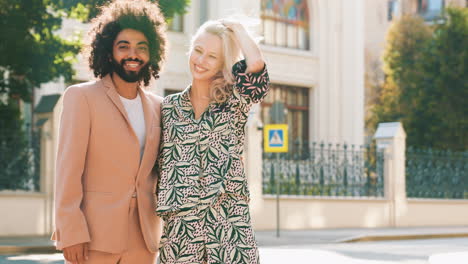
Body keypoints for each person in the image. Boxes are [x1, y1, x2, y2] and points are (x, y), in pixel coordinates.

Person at [52, 1, 166, 263]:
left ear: (153, 54)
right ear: (107, 51)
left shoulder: (160, 107)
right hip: (93, 238)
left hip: (144, 239)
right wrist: (70, 232)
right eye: (123, 46)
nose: (133, 54)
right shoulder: (81, 97)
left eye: (141, 47)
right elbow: (68, 171)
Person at [156, 19, 269, 264]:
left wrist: (237, 29)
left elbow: (256, 65)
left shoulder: (235, 101)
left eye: (211, 56)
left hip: (229, 225)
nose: (200, 60)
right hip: (181, 230)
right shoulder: (168, 108)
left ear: (222, 64)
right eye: (198, 50)